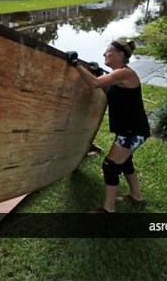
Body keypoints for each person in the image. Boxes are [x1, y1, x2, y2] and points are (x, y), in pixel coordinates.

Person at [67, 39, 150, 213]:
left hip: (132, 131)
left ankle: (108, 209)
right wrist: (97, 72)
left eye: (108, 52)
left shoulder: (124, 73)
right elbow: (104, 86)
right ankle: (137, 197)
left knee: (110, 166)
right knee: (125, 162)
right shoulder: (119, 75)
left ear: (120, 54)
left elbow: (96, 84)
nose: (104, 54)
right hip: (130, 129)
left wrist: (75, 64)